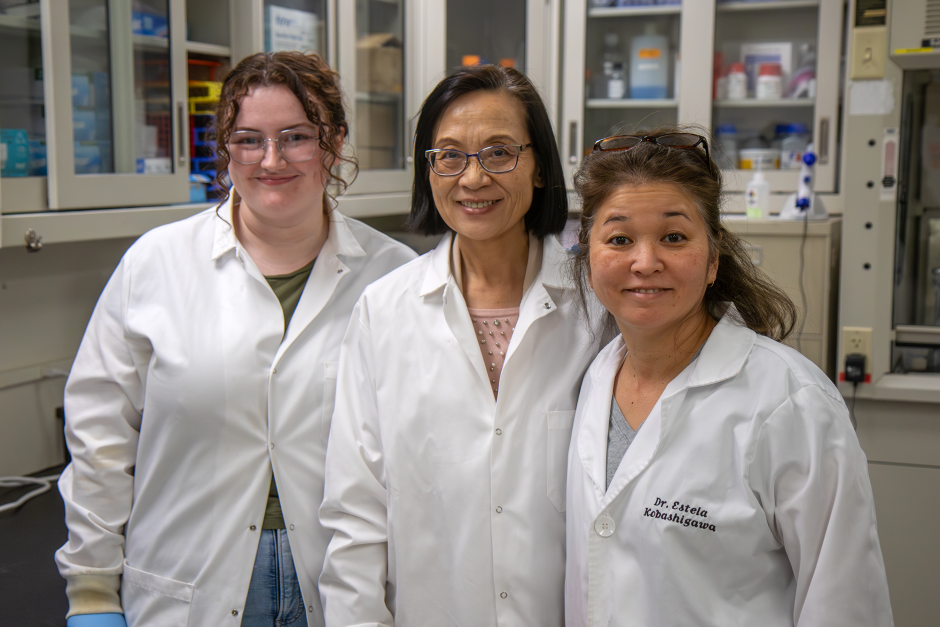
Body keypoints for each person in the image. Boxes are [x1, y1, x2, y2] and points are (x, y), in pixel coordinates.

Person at [54, 51, 416, 627]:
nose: (271, 160)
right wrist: (93, 589)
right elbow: (100, 440)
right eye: (248, 139)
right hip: (187, 579)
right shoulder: (156, 263)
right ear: (225, 146)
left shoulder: (395, 276)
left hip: (343, 584)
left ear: (335, 142)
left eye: (297, 136)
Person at [564, 129, 893, 626]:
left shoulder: (790, 402)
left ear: (714, 257)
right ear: (590, 259)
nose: (645, 261)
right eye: (619, 238)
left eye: (674, 237)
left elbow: (844, 602)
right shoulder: (594, 379)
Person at [318, 65, 600, 626]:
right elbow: (356, 508)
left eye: (499, 152)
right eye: (448, 155)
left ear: (539, 166)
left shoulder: (597, 307)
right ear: (429, 171)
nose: (472, 178)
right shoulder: (385, 310)